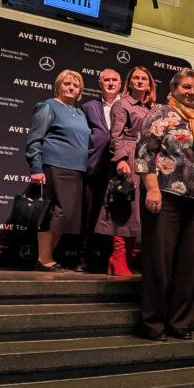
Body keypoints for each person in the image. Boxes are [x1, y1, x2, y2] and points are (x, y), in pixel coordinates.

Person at [136, 68, 194, 341]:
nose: (192, 92)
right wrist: (152, 189)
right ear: (174, 88)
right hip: (164, 195)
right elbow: (144, 154)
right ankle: (153, 323)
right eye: (187, 87)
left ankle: (179, 323)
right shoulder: (159, 114)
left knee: (189, 267)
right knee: (159, 264)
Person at [26, 70, 91, 272]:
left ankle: (44, 257)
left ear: (80, 90)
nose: (71, 88)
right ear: (58, 86)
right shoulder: (49, 106)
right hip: (54, 166)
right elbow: (35, 139)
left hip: (77, 170)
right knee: (51, 214)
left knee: (66, 218)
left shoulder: (80, 113)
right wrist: (36, 167)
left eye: (75, 85)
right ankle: (45, 259)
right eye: (67, 84)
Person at [94, 66, 156, 275]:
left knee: (137, 212)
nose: (140, 81)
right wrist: (120, 159)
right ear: (129, 82)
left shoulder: (150, 109)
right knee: (124, 206)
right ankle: (117, 257)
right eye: (136, 78)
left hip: (145, 159)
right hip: (129, 157)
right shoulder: (122, 104)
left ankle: (127, 260)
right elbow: (116, 135)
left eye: (144, 78)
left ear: (149, 84)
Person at [80, 68, 121, 272]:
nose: (111, 83)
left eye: (114, 80)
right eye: (107, 80)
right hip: (95, 168)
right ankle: (83, 259)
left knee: (114, 217)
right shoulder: (88, 107)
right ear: (100, 83)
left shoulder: (127, 106)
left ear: (120, 84)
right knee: (89, 215)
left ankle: (108, 261)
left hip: (120, 170)